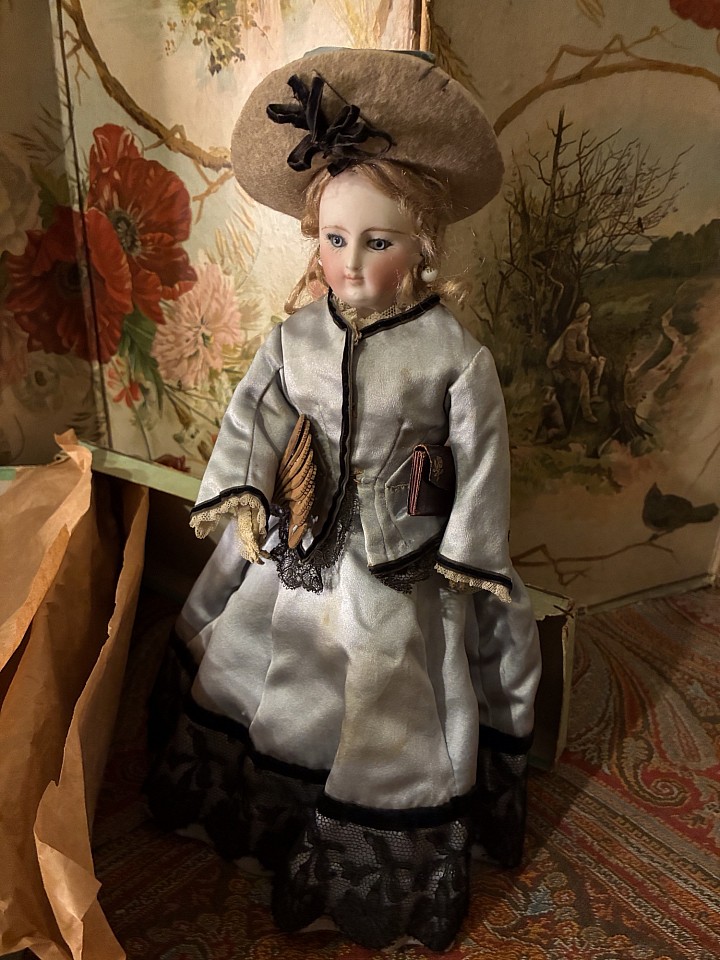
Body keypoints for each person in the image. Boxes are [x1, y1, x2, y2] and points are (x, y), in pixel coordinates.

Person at [147, 48, 541, 951]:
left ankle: (358, 831)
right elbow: (255, 413)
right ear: (313, 238)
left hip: (398, 559)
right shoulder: (295, 336)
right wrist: (246, 494)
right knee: (260, 655)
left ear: (422, 243)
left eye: (378, 242)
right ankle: (269, 809)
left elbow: (482, 459)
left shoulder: (453, 356)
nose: (351, 263)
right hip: (296, 536)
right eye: (333, 240)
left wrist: (467, 554)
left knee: (383, 680)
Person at [548, 301, 606, 424]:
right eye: (588, 315)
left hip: (579, 361)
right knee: (583, 380)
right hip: (567, 365)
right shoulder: (572, 330)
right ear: (585, 316)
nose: (589, 317)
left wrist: (596, 356)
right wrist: (588, 358)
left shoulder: (583, 328)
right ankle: (587, 413)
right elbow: (570, 354)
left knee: (600, 363)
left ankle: (594, 394)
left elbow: (589, 344)